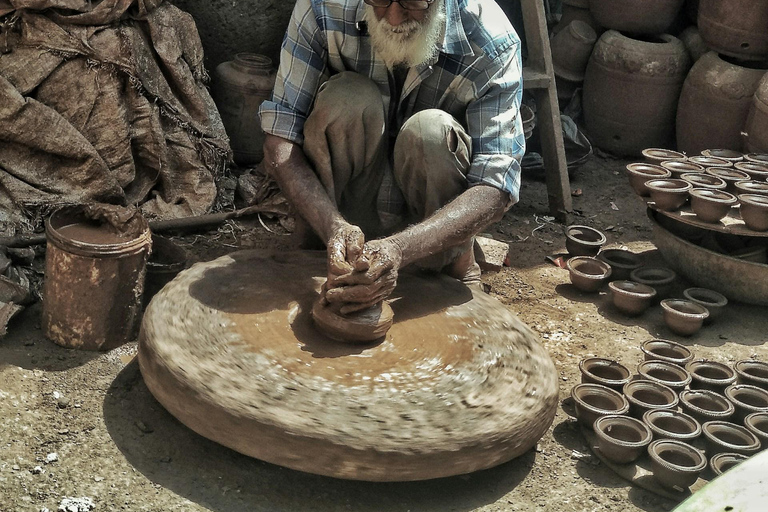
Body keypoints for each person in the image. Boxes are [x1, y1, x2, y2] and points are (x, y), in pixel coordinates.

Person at [259, 0, 524, 315]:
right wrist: (332, 227)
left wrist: (398, 248)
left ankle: (452, 265)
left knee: (430, 132)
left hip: (431, 225)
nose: (394, 16)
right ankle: (322, 249)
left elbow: (495, 185)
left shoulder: (491, 40)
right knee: (346, 99)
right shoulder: (321, 7)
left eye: (413, 1)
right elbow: (280, 138)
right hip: (341, 210)